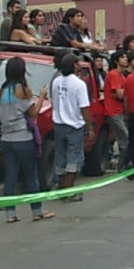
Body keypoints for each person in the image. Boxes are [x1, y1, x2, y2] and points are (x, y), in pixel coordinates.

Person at [0, 57, 53, 223]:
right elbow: (34, 114)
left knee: (10, 176)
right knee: (30, 175)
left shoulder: (3, 90)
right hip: (23, 138)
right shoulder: (24, 89)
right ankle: (37, 211)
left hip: (6, 138)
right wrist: (41, 96)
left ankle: (10, 214)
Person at [51, 52, 93, 201]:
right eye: (78, 62)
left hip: (59, 124)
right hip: (74, 125)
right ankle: (68, 190)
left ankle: (61, 187)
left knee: (60, 157)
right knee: (73, 159)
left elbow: (54, 101)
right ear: (74, 65)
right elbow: (84, 108)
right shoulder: (79, 84)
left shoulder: (56, 81)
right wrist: (90, 127)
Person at [103, 51, 129, 170]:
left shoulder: (122, 76)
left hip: (120, 111)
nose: (125, 59)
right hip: (113, 112)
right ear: (116, 61)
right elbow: (120, 94)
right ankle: (122, 166)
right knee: (125, 139)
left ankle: (123, 165)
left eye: (125, 57)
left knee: (123, 139)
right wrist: (127, 91)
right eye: (122, 57)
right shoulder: (113, 75)